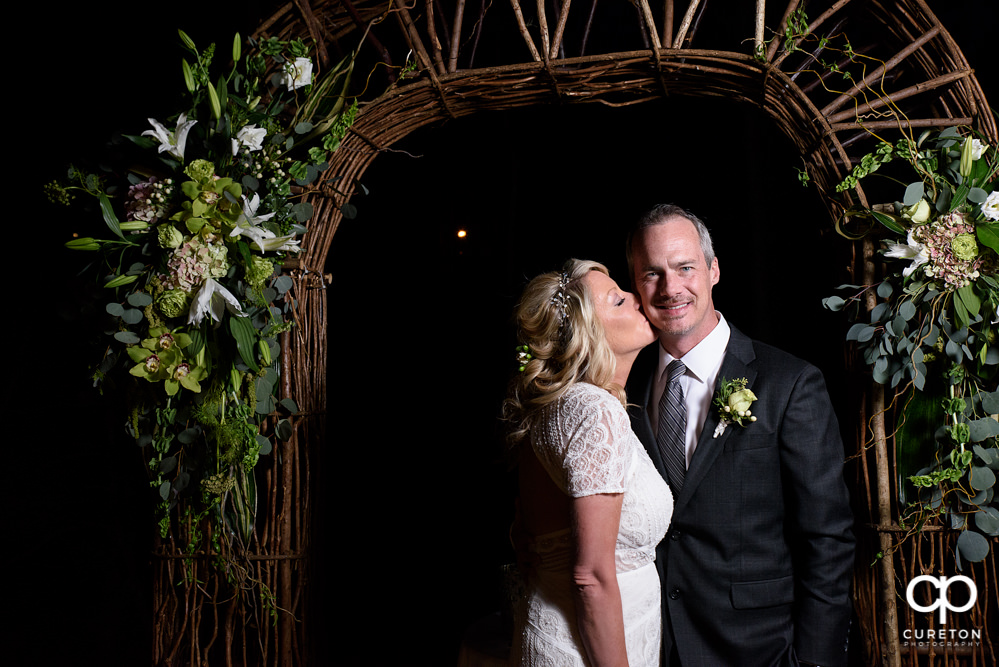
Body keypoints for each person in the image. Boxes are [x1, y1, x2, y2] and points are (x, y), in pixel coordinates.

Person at [625, 204, 855, 667]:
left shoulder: (790, 384)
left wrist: (813, 661)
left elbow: (827, 539)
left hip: (761, 650)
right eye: (652, 273)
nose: (671, 288)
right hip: (653, 646)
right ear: (636, 285)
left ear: (712, 271)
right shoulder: (625, 388)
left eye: (685, 267)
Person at [505, 258, 674, 667]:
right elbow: (591, 579)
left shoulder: (561, 406)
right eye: (617, 301)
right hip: (588, 653)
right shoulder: (595, 411)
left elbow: (533, 535)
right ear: (588, 333)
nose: (637, 297)